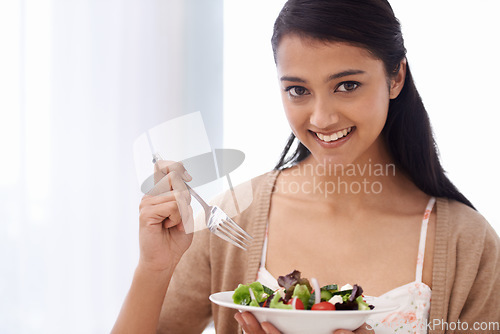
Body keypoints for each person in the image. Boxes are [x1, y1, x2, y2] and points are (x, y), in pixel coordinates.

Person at [112, 0, 500, 333]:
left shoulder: (467, 243)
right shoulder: (236, 216)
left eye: (347, 85)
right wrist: (154, 269)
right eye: (298, 90)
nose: (322, 117)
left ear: (395, 76)